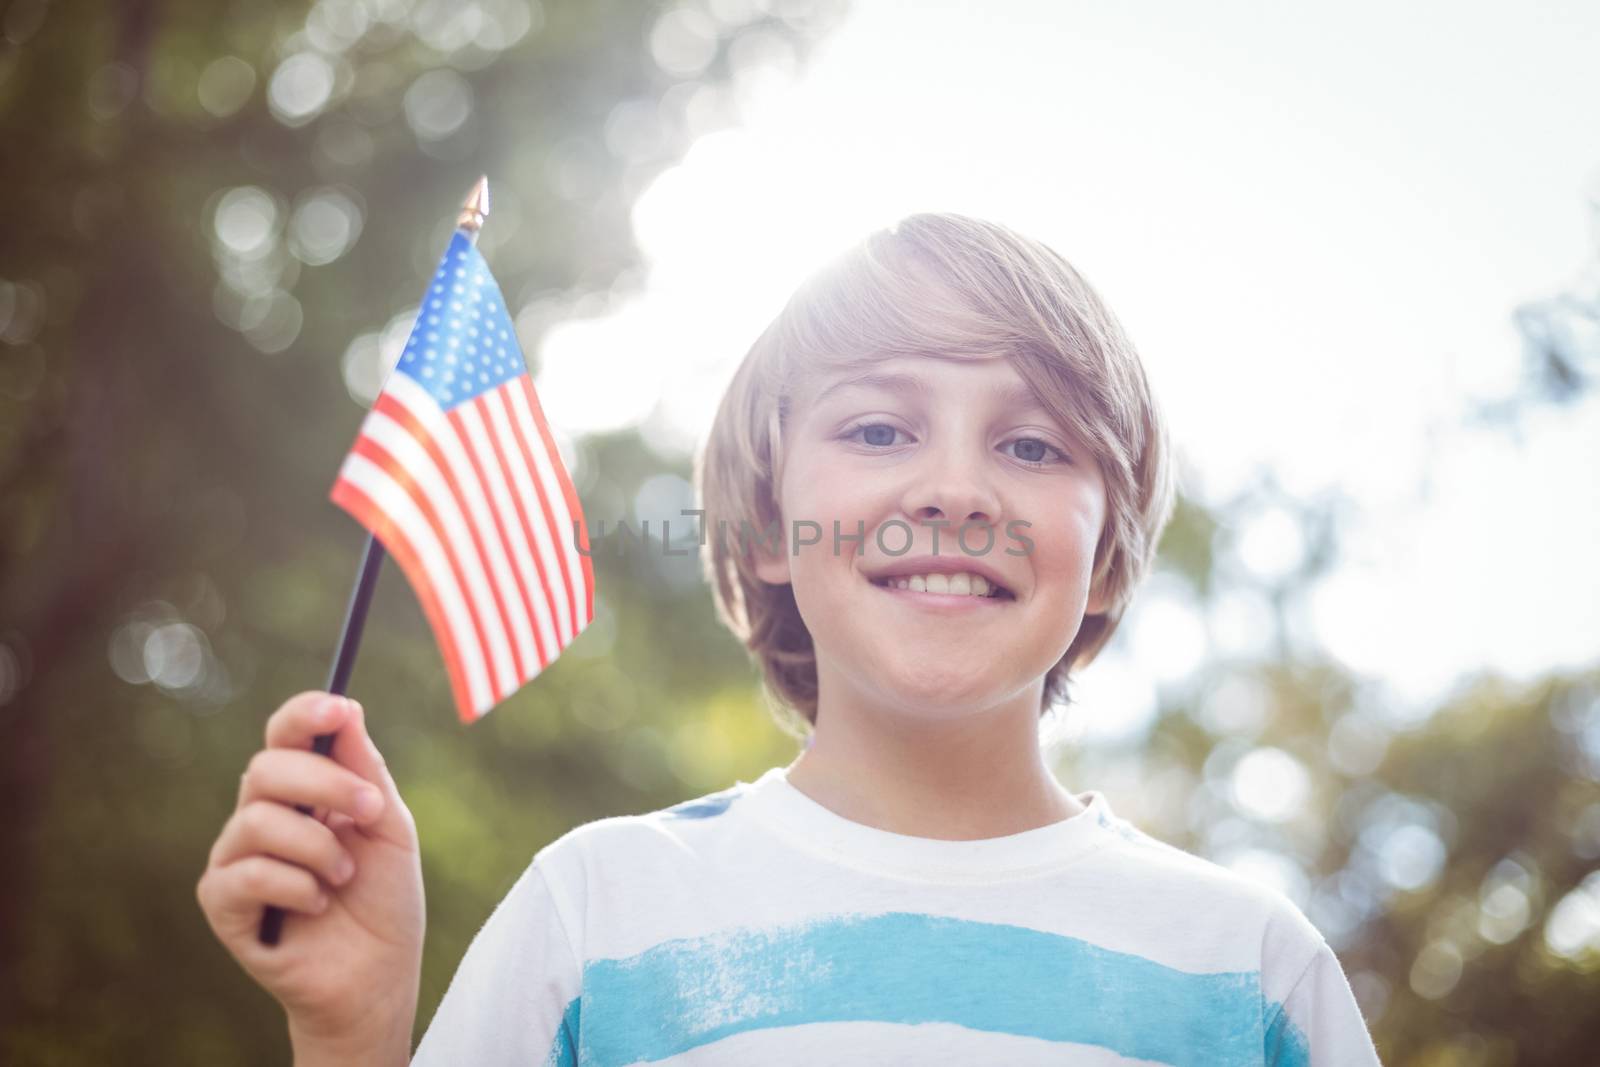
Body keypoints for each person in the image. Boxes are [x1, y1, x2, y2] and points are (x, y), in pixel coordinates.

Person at [197, 213, 1384, 1065]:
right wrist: (352, 1035)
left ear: (1109, 559)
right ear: (768, 526)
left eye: (1033, 447)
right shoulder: (595, 911)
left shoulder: (1251, 969)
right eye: (877, 427)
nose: (955, 486)